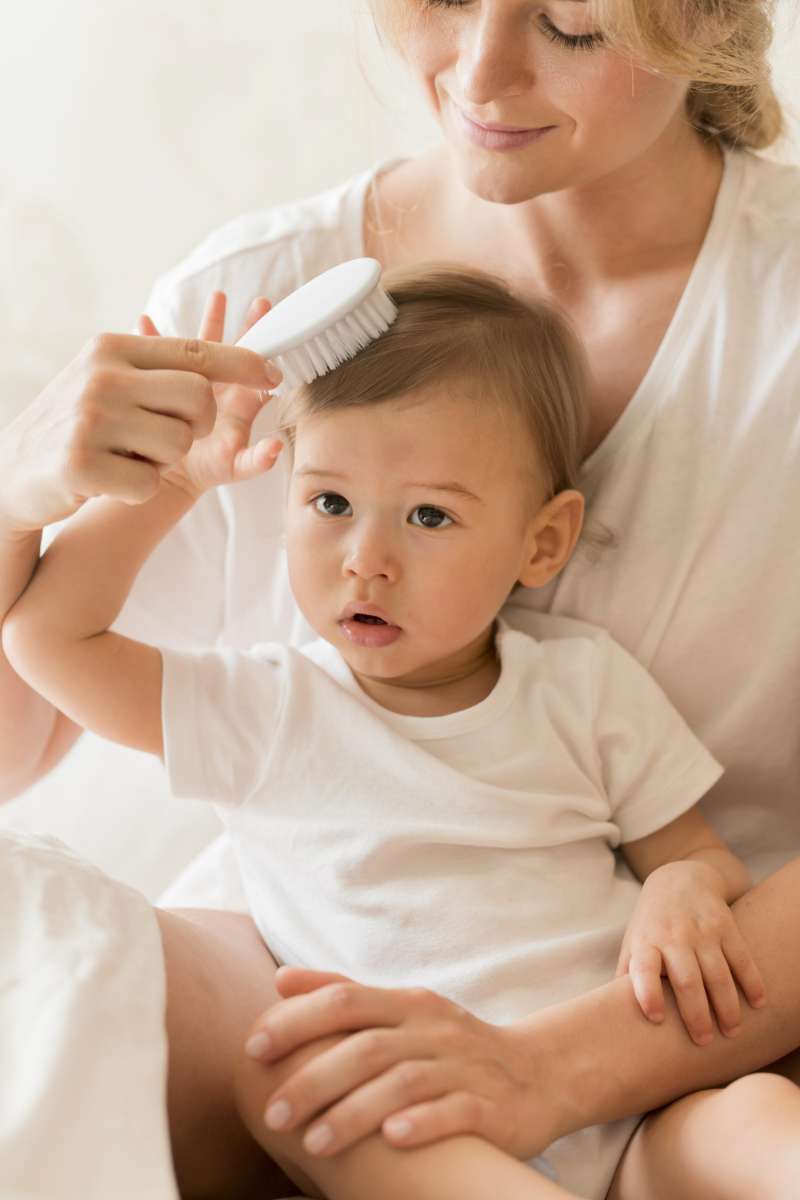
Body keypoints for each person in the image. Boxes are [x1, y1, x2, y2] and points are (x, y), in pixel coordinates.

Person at [1, 0, 799, 1195]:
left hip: (679, 1023)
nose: (479, 72)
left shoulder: (767, 328)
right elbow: (24, 731)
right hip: (311, 1020)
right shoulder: (260, 301)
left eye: (570, 24)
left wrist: (549, 1067)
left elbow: (686, 856)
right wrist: (20, 501)